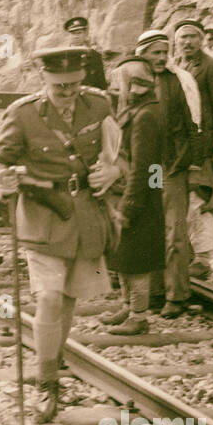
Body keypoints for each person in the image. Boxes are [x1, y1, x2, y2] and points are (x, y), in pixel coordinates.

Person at [0, 45, 113, 424]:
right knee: (50, 298)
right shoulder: (23, 114)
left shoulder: (101, 106)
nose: (68, 92)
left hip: (85, 216)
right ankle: (47, 384)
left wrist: (114, 171)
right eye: (60, 86)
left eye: (74, 84)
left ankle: (51, 361)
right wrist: (2, 181)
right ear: (43, 79)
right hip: (42, 214)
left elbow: (118, 153)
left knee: (69, 300)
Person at [94, 58, 166, 335]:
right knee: (123, 254)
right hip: (134, 193)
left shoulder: (146, 115)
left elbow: (145, 166)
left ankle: (138, 316)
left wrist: (130, 205)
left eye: (118, 84)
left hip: (138, 197)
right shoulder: (139, 109)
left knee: (136, 260)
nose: (114, 89)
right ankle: (127, 306)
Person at [135, 29, 201, 318]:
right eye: (155, 53)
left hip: (170, 167)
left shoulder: (177, 81)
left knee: (175, 230)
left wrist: (184, 163)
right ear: (143, 55)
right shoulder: (133, 79)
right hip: (146, 167)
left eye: (164, 52)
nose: (161, 58)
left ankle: (177, 295)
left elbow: (191, 125)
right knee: (150, 225)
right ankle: (153, 291)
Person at [172, 19, 213, 281]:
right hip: (183, 146)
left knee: (203, 199)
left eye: (192, 37)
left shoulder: (212, 66)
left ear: (202, 39)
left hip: (204, 146)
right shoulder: (176, 65)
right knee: (184, 201)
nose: (187, 42)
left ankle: (203, 258)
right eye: (182, 38)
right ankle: (187, 254)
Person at [62, 15, 108, 91]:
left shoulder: (94, 55)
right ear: (68, 35)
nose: (76, 36)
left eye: (79, 33)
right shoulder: (63, 56)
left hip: (90, 97)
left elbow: (101, 82)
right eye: (73, 33)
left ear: (85, 34)